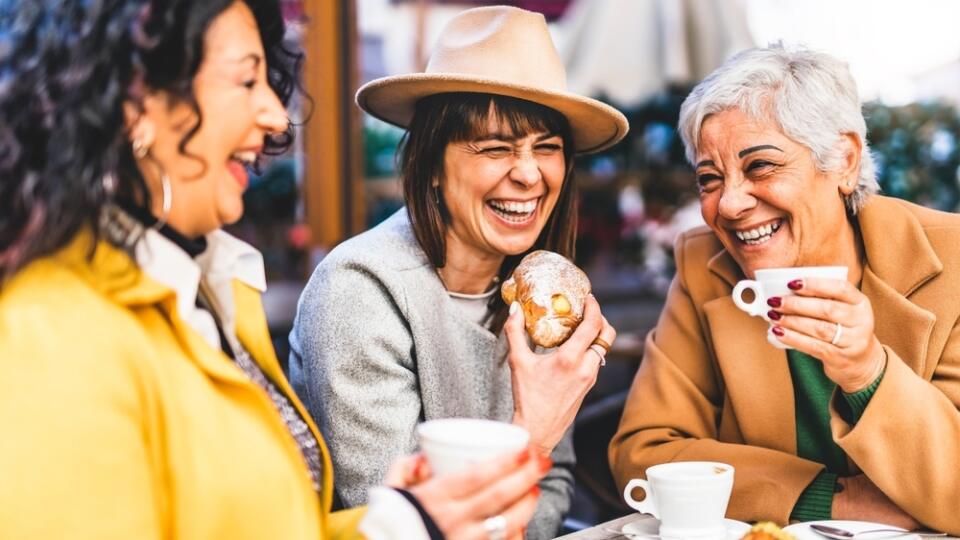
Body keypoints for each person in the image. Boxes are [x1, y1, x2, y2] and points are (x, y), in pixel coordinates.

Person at [0, 1, 550, 538]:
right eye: (246, 82)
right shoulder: (48, 334)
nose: (273, 113)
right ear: (135, 104)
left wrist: (406, 517)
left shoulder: (208, 288)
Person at [288, 6, 625, 538]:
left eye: (548, 147)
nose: (530, 173)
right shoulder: (359, 291)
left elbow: (556, 486)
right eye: (495, 147)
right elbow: (400, 522)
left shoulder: (538, 295)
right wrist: (532, 434)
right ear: (432, 165)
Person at [609, 44, 960, 534]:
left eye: (760, 166)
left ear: (844, 161)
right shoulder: (704, 264)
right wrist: (829, 499)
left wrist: (867, 372)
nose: (728, 205)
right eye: (709, 179)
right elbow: (644, 454)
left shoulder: (954, 262)